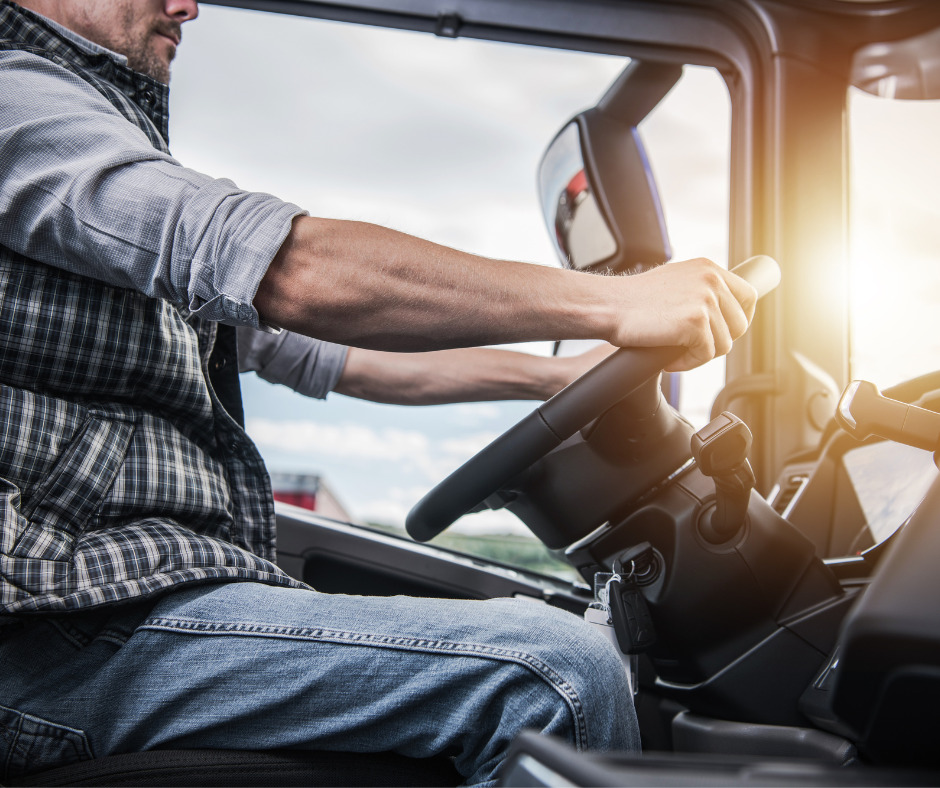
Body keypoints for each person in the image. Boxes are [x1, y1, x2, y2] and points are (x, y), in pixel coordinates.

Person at [0, 0, 757, 784]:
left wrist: (560, 377)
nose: (187, 4)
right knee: (557, 676)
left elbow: (347, 356)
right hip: (51, 632)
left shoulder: (96, 148)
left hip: (111, 609)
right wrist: (616, 301)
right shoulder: (15, 96)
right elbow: (290, 271)